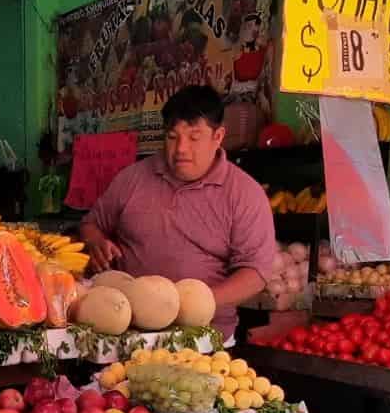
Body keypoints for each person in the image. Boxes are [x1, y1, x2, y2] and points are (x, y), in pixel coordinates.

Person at [81, 85, 278, 337]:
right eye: (173, 137)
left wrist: (194, 303)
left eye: (194, 137)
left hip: (202, 337)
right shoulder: (133, 178)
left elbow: (255, 273)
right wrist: (96, 241)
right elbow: (91, 223)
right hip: (127, 333)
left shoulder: (245, 194)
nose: (181, 148)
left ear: (218, 137)